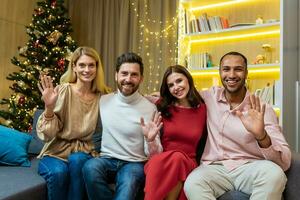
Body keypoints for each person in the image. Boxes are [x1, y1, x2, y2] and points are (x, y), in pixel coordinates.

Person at [184, 51, 291, 200]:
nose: (232, 75)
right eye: (226, 69)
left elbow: (284, 161)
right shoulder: (208, 97)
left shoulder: (262, 108)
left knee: (274, 174)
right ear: (220, 72)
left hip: (250, 167)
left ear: (246, 73)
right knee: (192, 183)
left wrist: (262, 136)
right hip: (214, 169)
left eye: (238, 69)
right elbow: (176, 97)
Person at [82, 52, 163, 200]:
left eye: (134, 75)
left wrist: (151, 140)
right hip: (107, 159)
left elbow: (155, 155)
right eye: (124, 73)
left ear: (141, 78)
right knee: (90, 167)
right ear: (116, 75)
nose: (128, 79)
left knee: (128, 184)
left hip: (134, 163)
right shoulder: (103, 101)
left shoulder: (149, 108)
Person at [36, 46, 110, 200]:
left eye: (91, 65)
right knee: (58, 173)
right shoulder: (63, 91)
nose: (87, 70)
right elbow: (47, 136)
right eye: (82, 65)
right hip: (55, 153)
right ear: (74, 68)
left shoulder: (102, 96)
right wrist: (49, 108)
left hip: (84, 152)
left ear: (97, 68)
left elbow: (126, 99)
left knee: (78, 161)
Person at [144, 65, 207, 200]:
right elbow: (139, 98)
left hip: (188, 162)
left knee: (178, 159)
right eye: (171, 85)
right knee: (172, 161)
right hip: (162, 161)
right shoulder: (162, 105)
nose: (176, 87)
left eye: (179, 81)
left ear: (188, 80)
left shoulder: (203, 109)